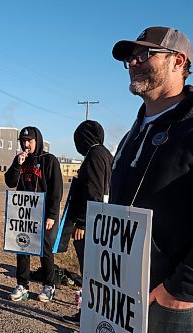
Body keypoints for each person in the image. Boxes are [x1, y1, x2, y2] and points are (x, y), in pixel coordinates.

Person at [110, 26, 193, 332]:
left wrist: (182, 288)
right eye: (131, 58)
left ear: (178, 61)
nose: (133, 63)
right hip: (121, 290)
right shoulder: (131, 135)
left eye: (144, 54)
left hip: (170, 301)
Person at [61, 120, 113, 326]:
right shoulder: (106, 154)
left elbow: (93, 192)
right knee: (99, 273)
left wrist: (82, 223)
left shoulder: (93, 156)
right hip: (104, 222)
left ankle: (88, 316)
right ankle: (98, 314)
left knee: (89, 272)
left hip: (91, 224)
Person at [4, 126, 63, 302]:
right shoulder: (21, 160)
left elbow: (56, 190)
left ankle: (49, 285)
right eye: (23, 141)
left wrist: (52, 214)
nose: (26, 144)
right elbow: (10, 182)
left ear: (37, 141)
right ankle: (22, 284)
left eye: (29, 140)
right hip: (24, 213)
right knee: (22, 247)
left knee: (44, 249)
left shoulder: (49, 160)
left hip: (43, 213)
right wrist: (17, 164)